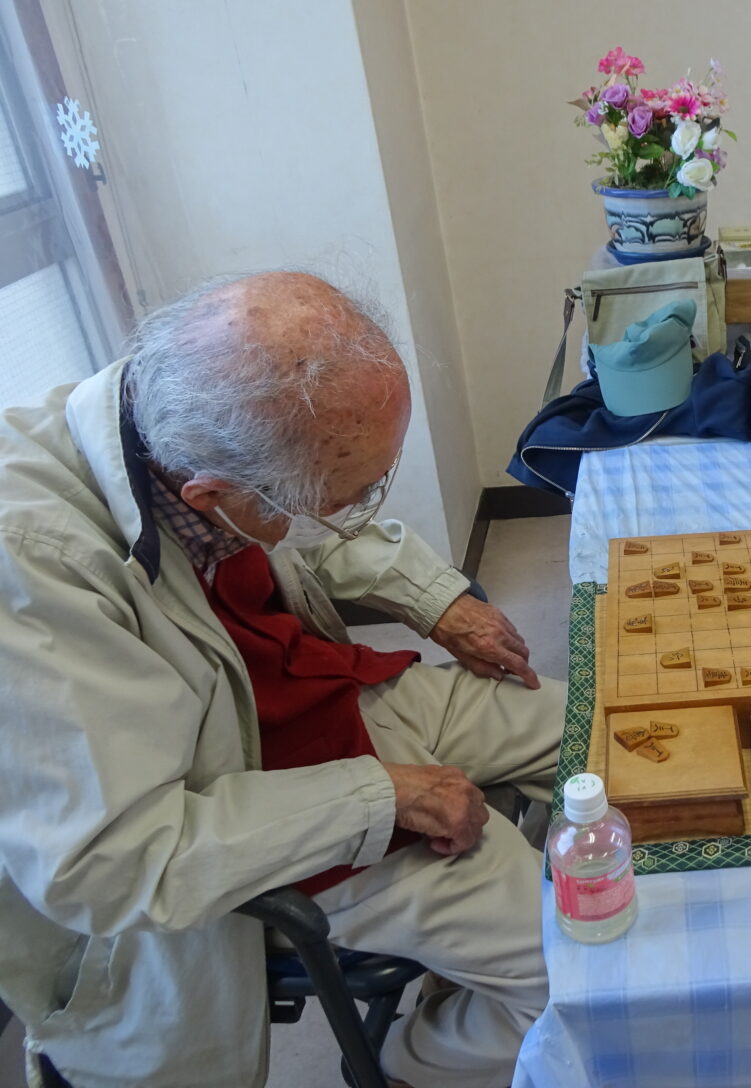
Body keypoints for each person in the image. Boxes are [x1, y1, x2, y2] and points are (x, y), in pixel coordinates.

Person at [0, 272, 564, 1087]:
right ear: (214, 496)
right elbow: (111, 861)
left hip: (324, 704)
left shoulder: (173, 412)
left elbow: (310, 522)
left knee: (608, 729)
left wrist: (434, 598)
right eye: (353, 496)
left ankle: (476, 971)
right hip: (254, 823)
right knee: (579, 971)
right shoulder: (31, 571)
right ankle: (412, 1063)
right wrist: (381, 798)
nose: (365, 509)